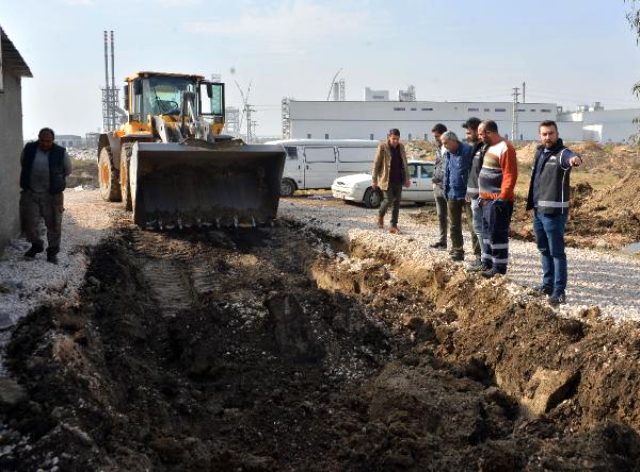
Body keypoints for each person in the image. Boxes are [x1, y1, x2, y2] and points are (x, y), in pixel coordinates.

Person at [526, 120, 582, 305]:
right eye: (544, 134)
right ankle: (547, 285)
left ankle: (559, 292)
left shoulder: (562, 153)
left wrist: (576, 160)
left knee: (557, 253)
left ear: (556, 134)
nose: (547, 137)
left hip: (554, 213)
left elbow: (572, 157)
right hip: (539, 211)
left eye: (550, 133)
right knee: (543, 249)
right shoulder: (540, 153)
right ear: (540, 135)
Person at [19, 128, 72, 264]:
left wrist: (55, 182)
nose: (45, 144)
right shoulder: (30, 149)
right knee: (29, 224)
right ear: (38, 138)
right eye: (42, 140)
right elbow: (23, 163)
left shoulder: (60, 153)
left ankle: (52, 253)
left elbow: (68, 170)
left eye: (48, 141)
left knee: (54, 225)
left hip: (52, 195)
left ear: (53, 140)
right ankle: (36, 245)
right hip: (31, 193)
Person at [477, 120, 518, 278]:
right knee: (487, 233)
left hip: (498, 201)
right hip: (487, 199)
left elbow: (510, 175)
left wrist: (503, 196)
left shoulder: (505, 148)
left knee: (497, 233)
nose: (480, 137)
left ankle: (499, 268)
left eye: (481, 134)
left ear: (489, 132)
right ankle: (486, 262)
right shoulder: (490, 147)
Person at [441, 131, 473, 261]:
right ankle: (457, 250)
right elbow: (447, 173)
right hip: (452, 193)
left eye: (445, 143)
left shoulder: (467, 151)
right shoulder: (447, 153)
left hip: (467, 195)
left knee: (473, 225)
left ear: (453, 140)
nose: (444, 146)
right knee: (454, 224)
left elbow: (473, 172)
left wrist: (471, 191)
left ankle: (479, 254)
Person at [372, 128, 410, 234]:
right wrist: (374, 180)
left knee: (397, 203)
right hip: (386, 179)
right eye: (393, 139)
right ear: (389, 137)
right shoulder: (383, 147)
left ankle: (393, 225)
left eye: (397, 139)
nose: (395, 141)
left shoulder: (401, 147)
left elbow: (405, 163)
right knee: (388, 200)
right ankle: (380, 215)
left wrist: (407, 178)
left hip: (398, 179)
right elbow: (376, 164)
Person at [461, 117, 485, 269]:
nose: (466, 136)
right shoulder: (472, 149)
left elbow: (483, 174)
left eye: (469, 133)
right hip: (471, 194)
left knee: (480, 229)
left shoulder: (483, 149)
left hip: (481, 197)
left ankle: (483, 258)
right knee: (474, 228)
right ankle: (480, 257)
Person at [429, 123, 448, 249]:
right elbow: (437, 165)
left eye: (437, 137)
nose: (435, 139)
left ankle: (457, 247)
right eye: (434, 137)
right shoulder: (438, 149)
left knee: (453, 218)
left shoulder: (450, 148)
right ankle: (442, 241)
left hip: (448, 187)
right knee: (441, 215)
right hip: (437, 187)